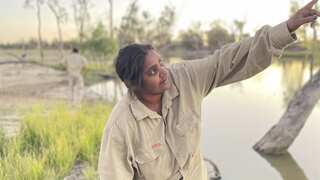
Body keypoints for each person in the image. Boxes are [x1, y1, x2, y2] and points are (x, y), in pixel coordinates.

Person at [98, 1, 320, 179]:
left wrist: (287, 27)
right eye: (153, 72)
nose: (164, 72)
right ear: (131, 84)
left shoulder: (185, 78)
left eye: (162, 63)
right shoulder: (121, 126)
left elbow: (228, 60)